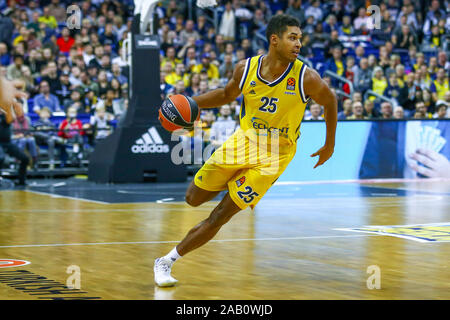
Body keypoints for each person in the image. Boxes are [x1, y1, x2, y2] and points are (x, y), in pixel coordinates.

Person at [154, 15, 338, 287]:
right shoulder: (246, 68)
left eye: (300, 38)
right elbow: (226, 94)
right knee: (193, 198)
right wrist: (191, 104)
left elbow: (330, 101)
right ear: (274, 40)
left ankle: (166, 261)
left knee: (220, 215)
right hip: (242, 142)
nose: (298, 43)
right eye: (292, 37)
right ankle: (233, 180)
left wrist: (330, 143)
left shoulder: (306, 77)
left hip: (275, 156)